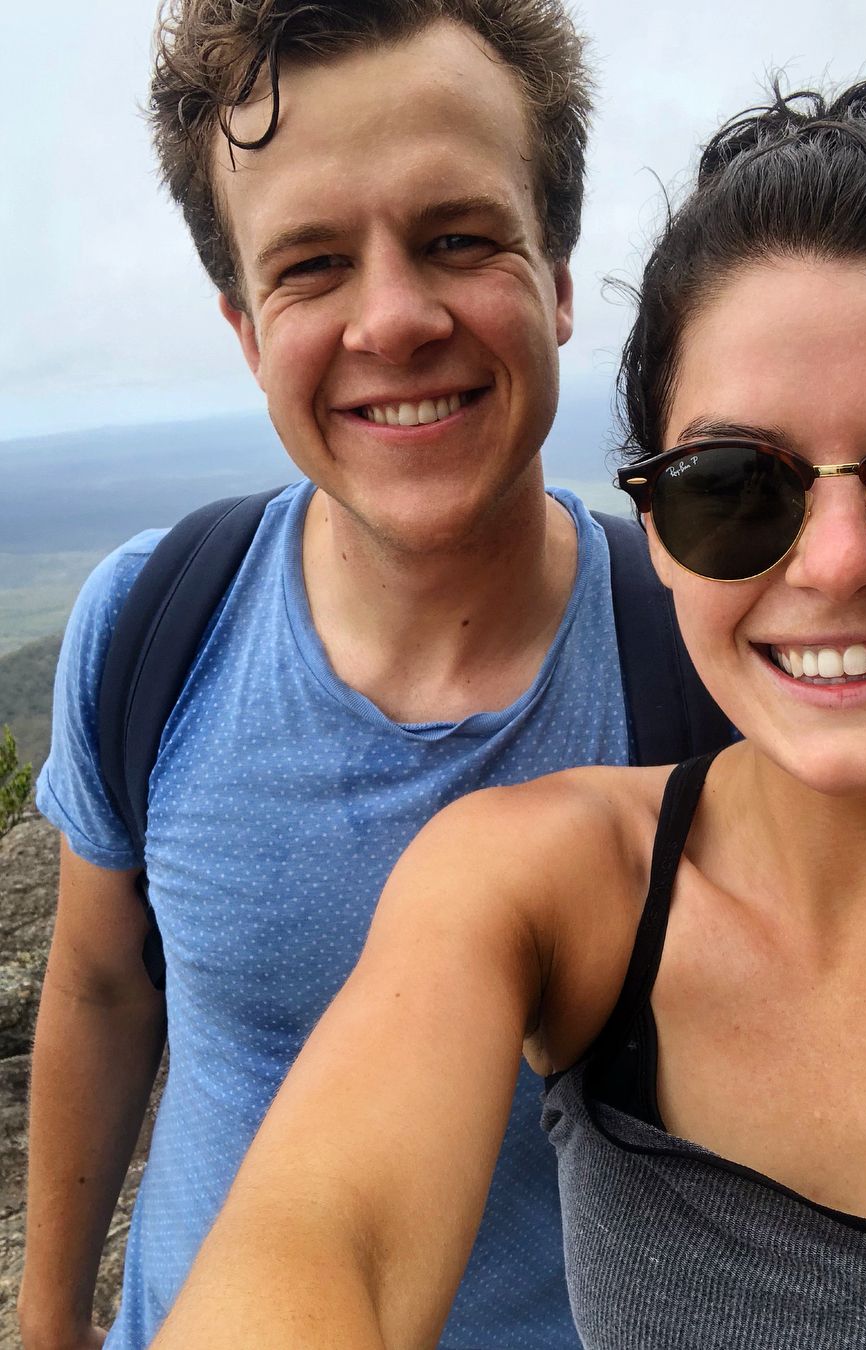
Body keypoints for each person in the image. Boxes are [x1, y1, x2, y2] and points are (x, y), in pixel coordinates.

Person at [148, 79, 866, 1347]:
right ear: (658, 529)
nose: (837, 563)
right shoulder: (548, 880)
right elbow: (328, 1240)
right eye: (733, 485)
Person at [16, 4, 714, 1348]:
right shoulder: (152, 627)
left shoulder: (696, 666)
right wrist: (49, 1323)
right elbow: (103, 989)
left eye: (457, 238)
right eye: (313, 265)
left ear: (560, 281)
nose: (392, 319)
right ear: (245, 328)